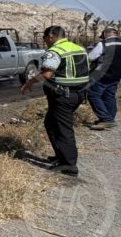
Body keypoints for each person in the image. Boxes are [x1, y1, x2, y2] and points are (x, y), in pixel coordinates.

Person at [21, 26, 89, 176]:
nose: (44, 41)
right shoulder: (78, 48)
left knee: (63, 128)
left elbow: (47, 74)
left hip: (63, 96)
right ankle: (61, 156)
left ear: (51, 36)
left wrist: (29, 83)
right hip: (78, 94)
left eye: (45, 38)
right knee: (51, 123)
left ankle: (69, 165)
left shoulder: (55, 51)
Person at [87, 27, 120, 130]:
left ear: (105, 35)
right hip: (117, 75)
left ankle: (106, 119)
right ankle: (109, 118)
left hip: (103, 74)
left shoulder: (104, 43)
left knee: (93, 95)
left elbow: (91, 57)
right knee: (109, 95)